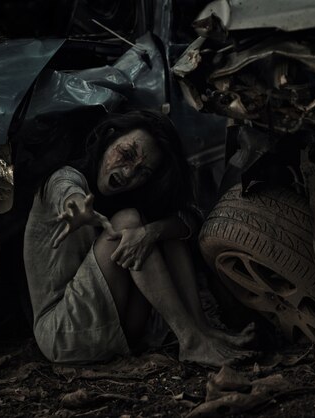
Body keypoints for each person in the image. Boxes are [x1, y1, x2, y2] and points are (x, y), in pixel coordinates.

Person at [23, 109, 254, 367]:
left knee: (158, 228)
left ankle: (200, 330)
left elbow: (185, 222)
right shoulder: (65, 177)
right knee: (128, 221)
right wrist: (77, 208)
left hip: (115, 327)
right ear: (109, 137)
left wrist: (151, 232)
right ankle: (190, 340)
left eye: (142, 171)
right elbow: (67, 191)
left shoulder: (126, 195)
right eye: (126, 154)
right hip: (62, 333)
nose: (128, 172)